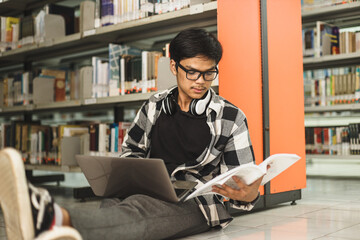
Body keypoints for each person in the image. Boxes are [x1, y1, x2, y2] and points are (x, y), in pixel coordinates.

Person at [0, 28, 262, 240]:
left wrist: (249, 195)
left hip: (196, 203)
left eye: (209, 73)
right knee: (114, 204)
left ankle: (51, 218)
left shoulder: (231, 117)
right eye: (191, 71)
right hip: (148, 190)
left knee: (138, 215)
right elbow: (131, 152)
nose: (201, 81)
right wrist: (137, 177)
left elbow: (244, 184)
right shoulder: (154, 105)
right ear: (174, 66)